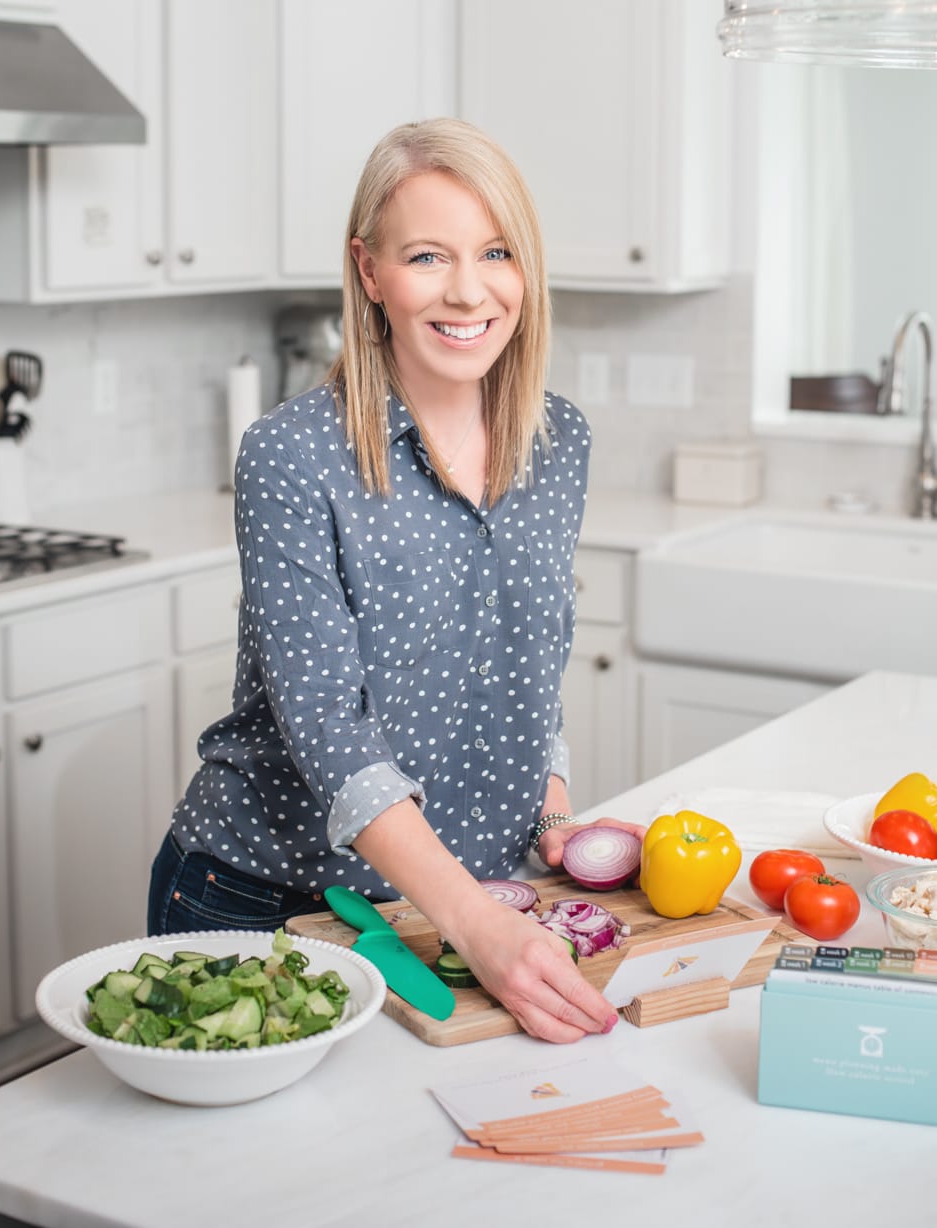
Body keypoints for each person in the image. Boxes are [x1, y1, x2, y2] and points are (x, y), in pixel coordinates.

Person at [147, 118, 643, 1043]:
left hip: (468, 906)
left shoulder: (559, 440)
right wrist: (478, 925)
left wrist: (553, 814)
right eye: (426, 256)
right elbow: (327, 727)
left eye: (495, 252)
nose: (468, 291)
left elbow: (528, 659)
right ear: (369, 272)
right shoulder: (293, 455)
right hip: (272, 907)